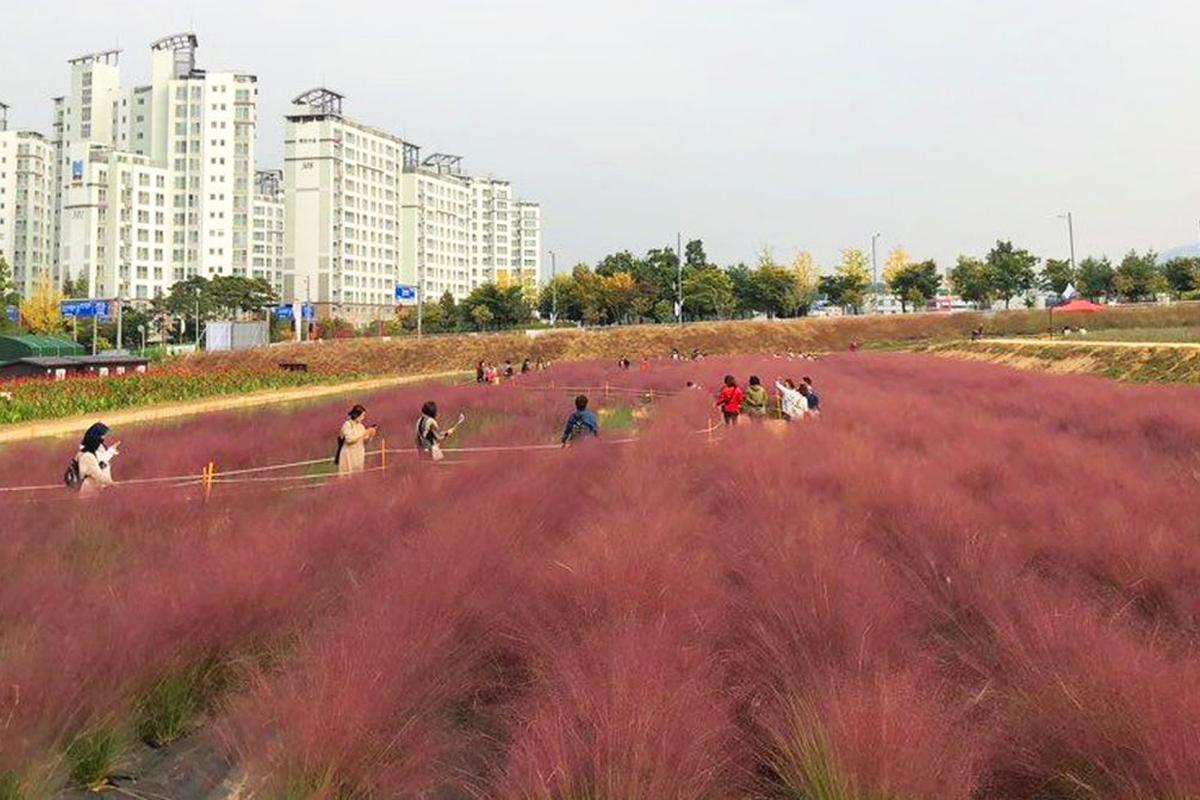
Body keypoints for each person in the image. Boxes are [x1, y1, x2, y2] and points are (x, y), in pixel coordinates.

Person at [72, 422, 118, 496]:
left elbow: (101, 460)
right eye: (102, 435)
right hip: (91, 492)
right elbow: (98, 473)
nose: (104, 438)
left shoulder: (97, 447)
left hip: (98, 488)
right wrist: (113, 485)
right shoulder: (87, 455)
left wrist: (111, 451)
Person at [336, 405, 377, 475]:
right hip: (349, 455)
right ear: (357, 415)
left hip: (358, 454)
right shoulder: (347, 425)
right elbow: (349, 439)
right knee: (348, 475)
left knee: (357, 474)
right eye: (362, 415)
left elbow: (364, 440)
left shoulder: (361, 426)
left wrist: (371, 435)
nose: (363, 418)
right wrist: (365, 432)